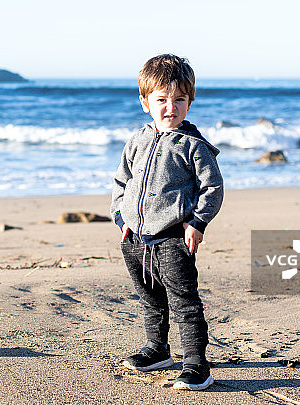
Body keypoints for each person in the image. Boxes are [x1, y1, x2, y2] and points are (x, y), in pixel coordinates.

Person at [111, 54, 224, 391]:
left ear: (190, 101)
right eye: (161, 100)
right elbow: (122, 181)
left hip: (174, 236)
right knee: (149, 297)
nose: (170, 107)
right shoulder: (138, 140)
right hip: (135, 237)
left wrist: (197, 223)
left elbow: (213, 188)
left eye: (179, 99)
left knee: (183, 300)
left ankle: (196, 365)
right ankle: (158, 350)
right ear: (146, 102)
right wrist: (121, 217)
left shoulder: (194, 146)